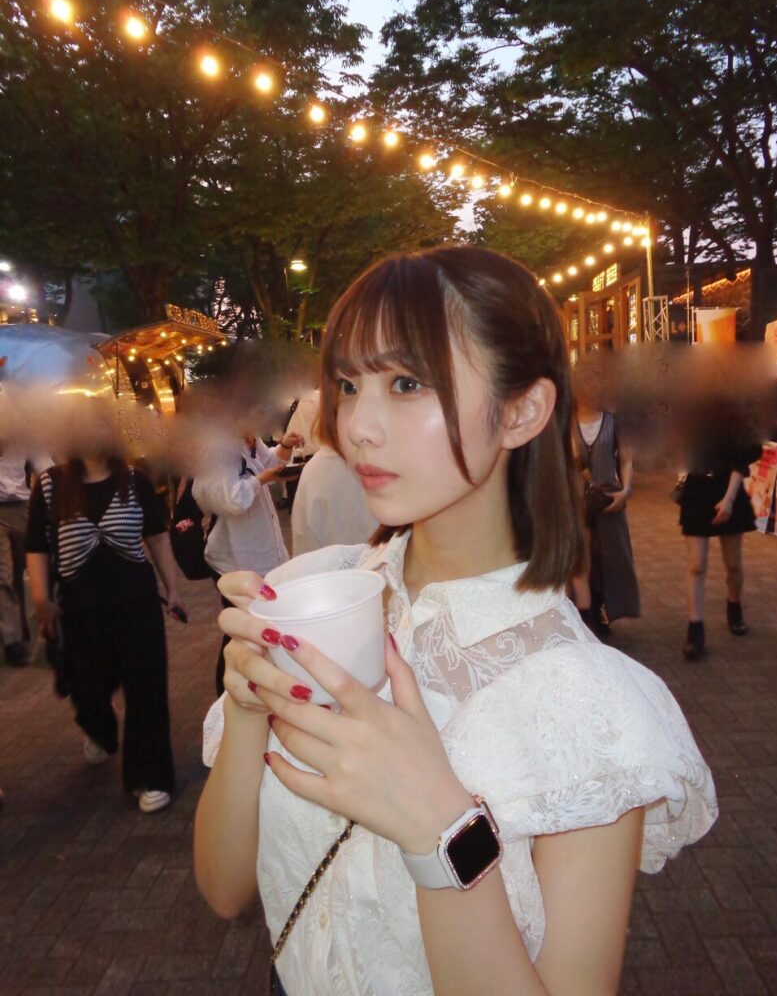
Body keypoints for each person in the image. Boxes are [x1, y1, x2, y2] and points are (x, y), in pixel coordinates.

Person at [194, 246, 717, 996]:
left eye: (408, 383)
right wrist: (247, 708)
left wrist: (438, 830)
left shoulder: (592, 706)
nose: (357, 426)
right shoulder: (309, 594)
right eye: (349, 384)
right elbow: (224, 890)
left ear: (521, 410)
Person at [25, 415, 180, 813]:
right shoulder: (50, 485)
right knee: (86, 688)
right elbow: (37, 547)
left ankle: (150, 777)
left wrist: (173, 588)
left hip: (136, 602)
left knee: (146, 689)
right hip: (79, 609)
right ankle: (98, 726)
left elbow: (157, 537)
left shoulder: (135, 480)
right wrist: (41, 600)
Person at [192, 429, 304, 694]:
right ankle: (229, 695)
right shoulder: (218, 446)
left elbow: (268, 462)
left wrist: (285, 447)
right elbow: (230, 500)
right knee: (242, 635)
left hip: (261, 550)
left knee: (260, 629)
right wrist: (262, 479)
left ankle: (257, 689)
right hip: (235, 560)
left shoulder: (249, 436)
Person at [678, 435, 760, 661]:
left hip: (728, 487)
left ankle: (734, 606)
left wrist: (728, 500)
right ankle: (695, 628)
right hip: (697, 490)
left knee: (733, 564)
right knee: (696, 565)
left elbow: (742, 458)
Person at [573, 392, 641, 639]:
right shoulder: (565, 421)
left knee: (610, 558)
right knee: (581, 560)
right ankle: (584, 615)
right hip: (576, 502)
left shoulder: (613, 420)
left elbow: (626, 458)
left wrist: (625, 490)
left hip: (608, 500)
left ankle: (601, 610)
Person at [291, 443, 376, 555]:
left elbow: (302, 541)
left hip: (329, 561)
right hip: (373, 559)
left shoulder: (313, 469)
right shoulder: (381, 461)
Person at [0, 448, 33, 666]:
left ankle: (23, 628)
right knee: (4, 574)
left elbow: (42, 460)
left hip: (22, 505)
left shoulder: (22, 433)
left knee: (24, 570)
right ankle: (12, 640)